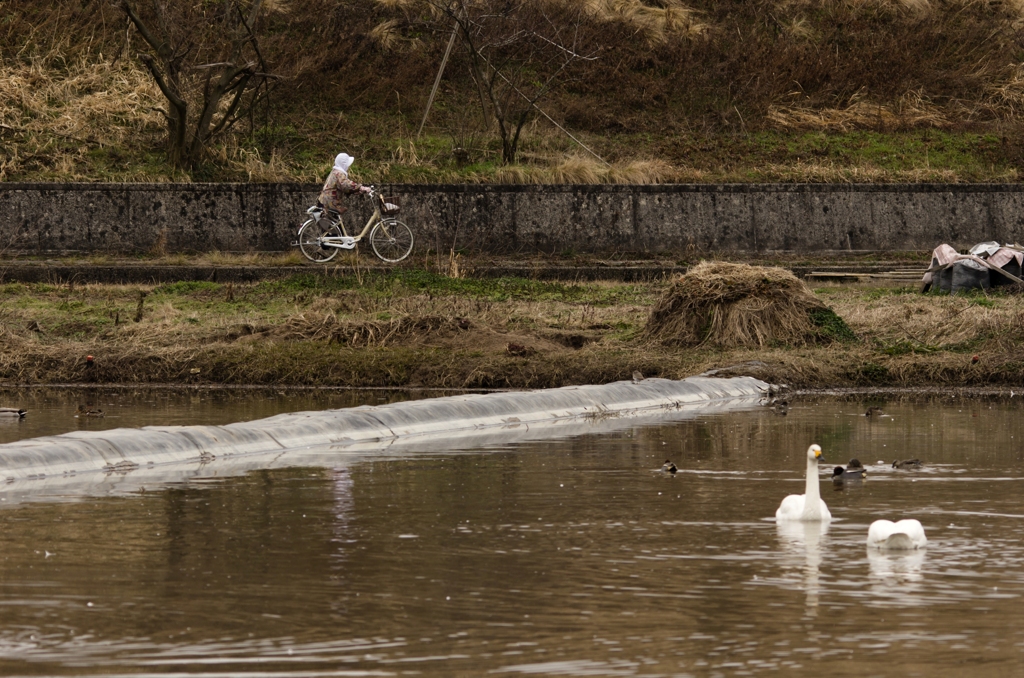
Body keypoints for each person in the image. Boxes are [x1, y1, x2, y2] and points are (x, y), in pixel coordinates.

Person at [317, 153, 371, 217]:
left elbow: (343, 187)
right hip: (330, 203)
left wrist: (357, 191)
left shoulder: (335, 171)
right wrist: (360, 187)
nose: (348, 167)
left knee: (334, 225)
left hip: (325, 201)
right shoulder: (339, 173)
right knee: (335, 225)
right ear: (344, 164)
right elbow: (345, 184)